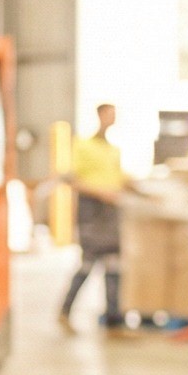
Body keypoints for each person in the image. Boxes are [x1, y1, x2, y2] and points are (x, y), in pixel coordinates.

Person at [59, 103, 125, 332]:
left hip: (110, 211)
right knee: (88, 264)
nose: (112, 118)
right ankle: (65, 311)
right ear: (99, 115)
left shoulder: (113, 150)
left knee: (114, 266)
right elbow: (70, 179)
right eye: (109, 113)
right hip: (92, 211)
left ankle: (114, 320)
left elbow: (119, 178)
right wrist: (101, 192)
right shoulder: (83, 146)